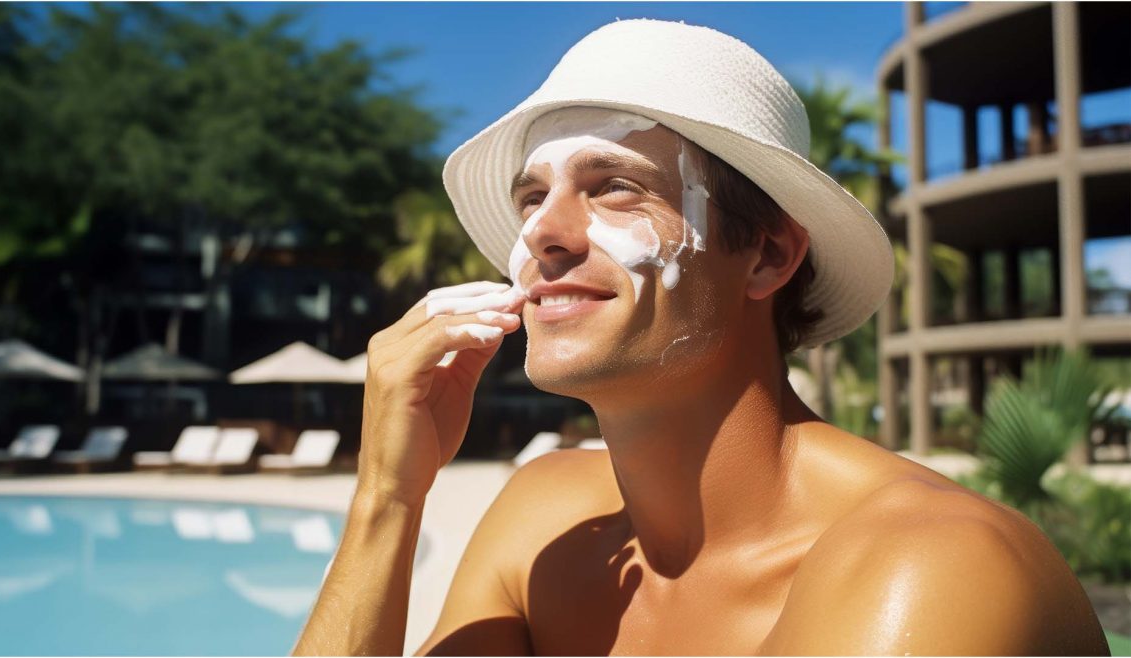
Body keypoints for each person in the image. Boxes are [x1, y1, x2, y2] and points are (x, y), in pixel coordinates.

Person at [294, 19, 1109, 656]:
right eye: (531, 198)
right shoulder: (539, 522)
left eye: (613, 187)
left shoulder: (930, 569)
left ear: (768, 254)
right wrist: (386, 501)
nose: (544, 233)